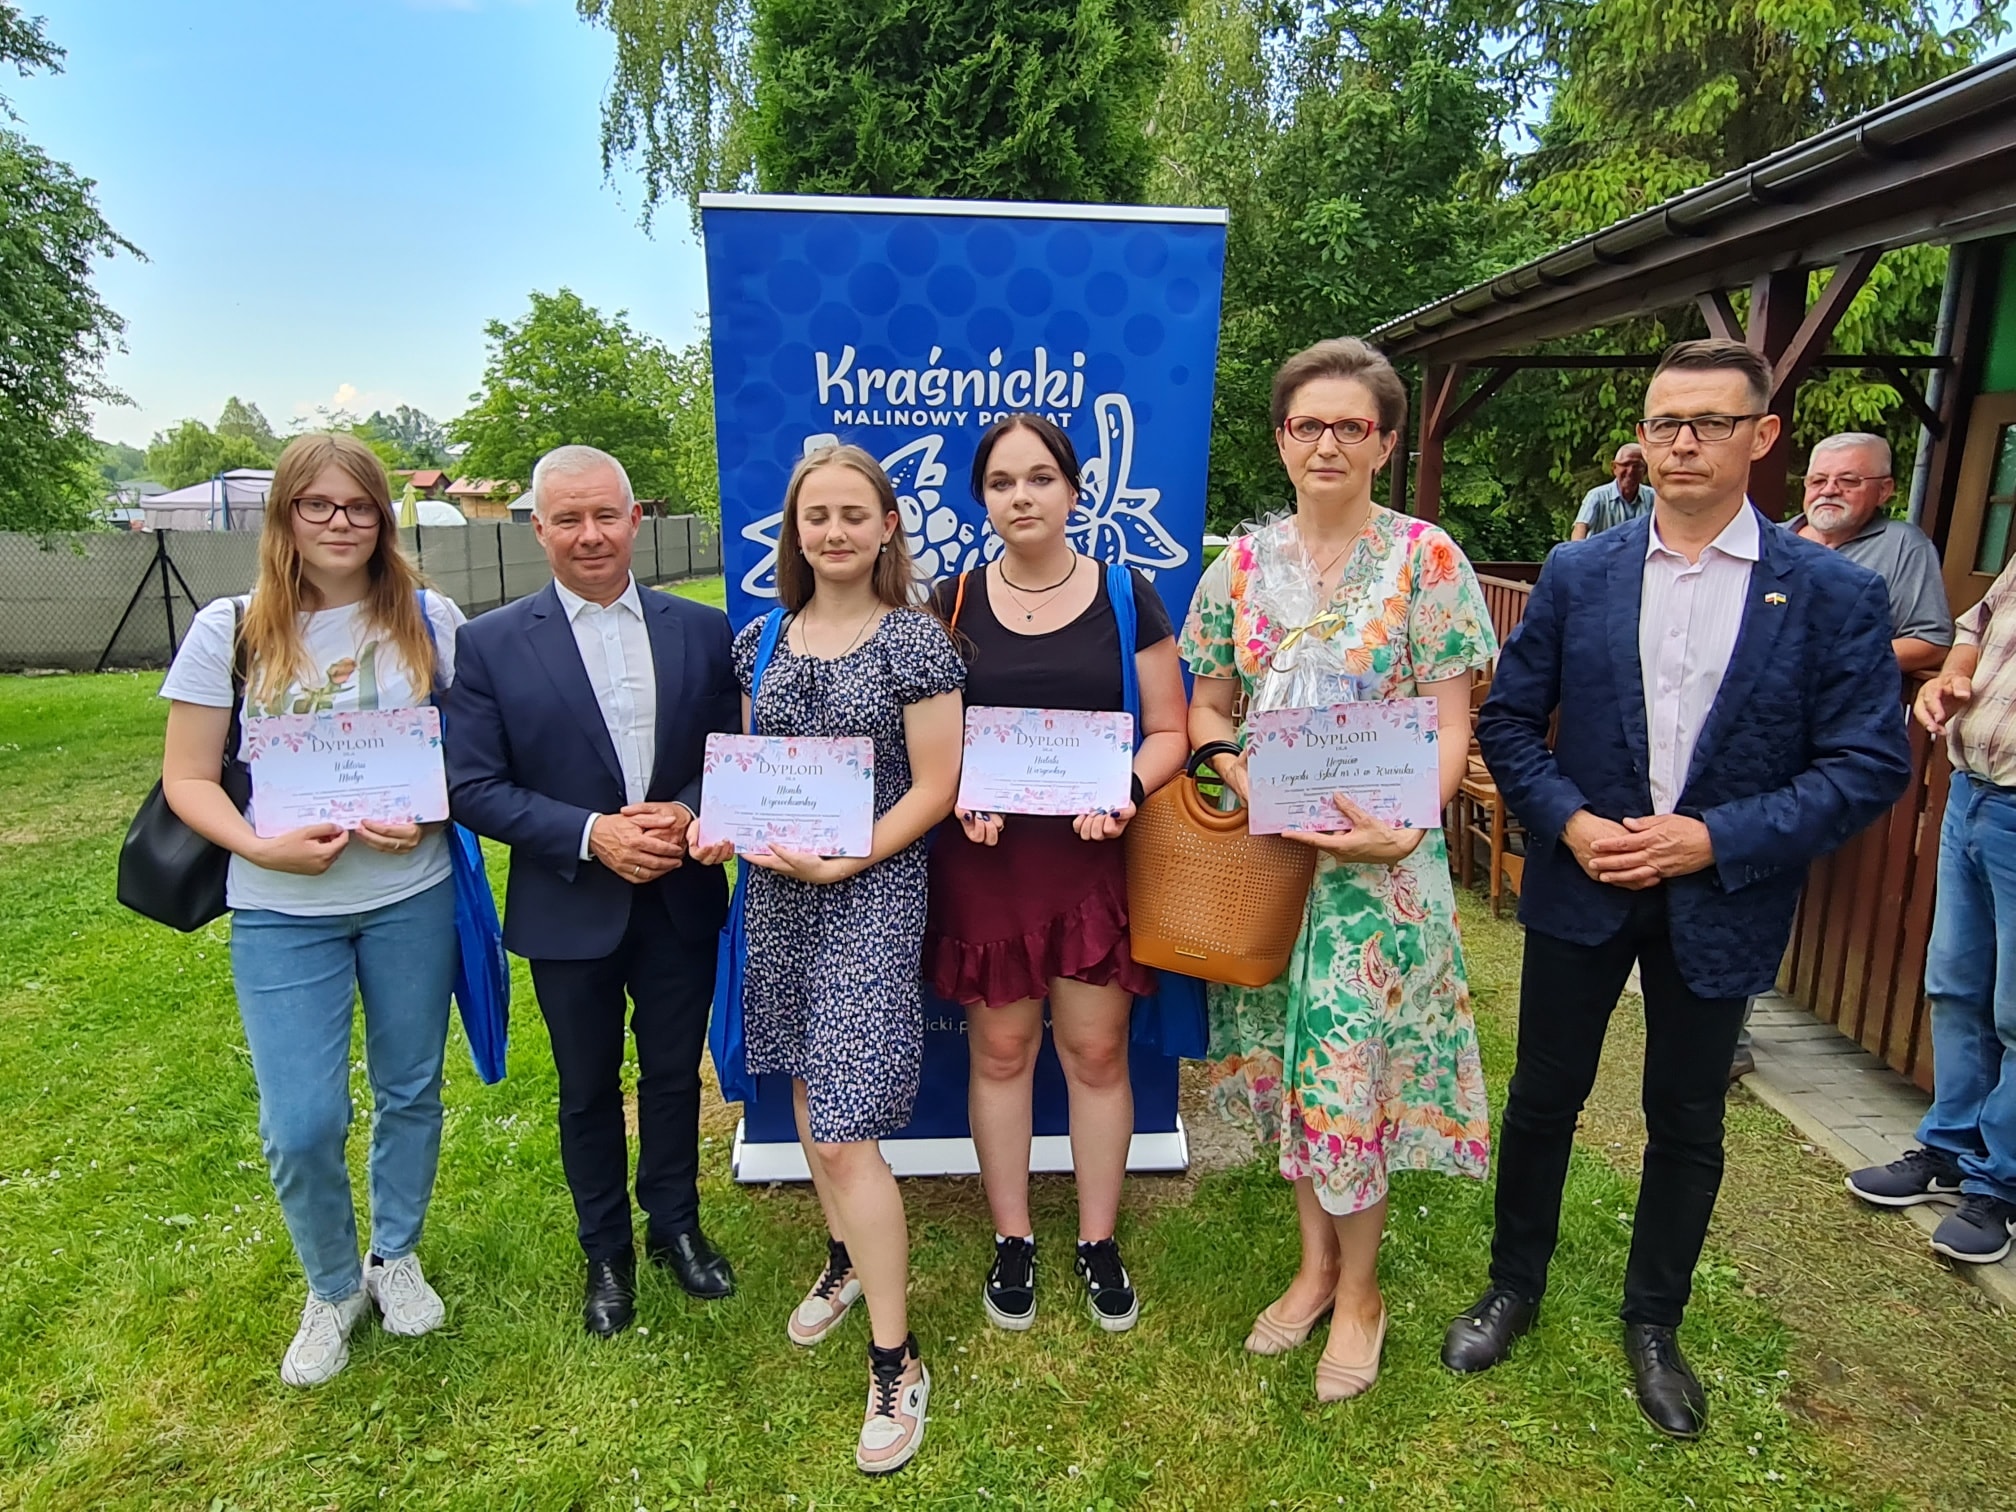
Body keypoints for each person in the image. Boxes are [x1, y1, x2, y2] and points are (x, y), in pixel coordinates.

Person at [1448, 338, 1913, 1438]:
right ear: (1643, 438)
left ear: (1763, 437)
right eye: (1666, 423)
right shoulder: (1581, 573)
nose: (1685, 442)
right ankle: (1512, 1285)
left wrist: (1715, 839)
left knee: (1687, 1118)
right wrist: (1570, 821)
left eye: (1711, 422)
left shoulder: (1833, 594)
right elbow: (1508, 721)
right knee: (1544, 1097)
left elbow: (1867, 764)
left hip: (1723, 895)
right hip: (1587, 880)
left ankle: (1655, 1322)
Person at [1179, 337, 1497, 1402]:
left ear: (1384, 442)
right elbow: (1207, 705)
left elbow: (1451, 724)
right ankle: (1314, 1268)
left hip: (1377, 874)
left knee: (1350, 1074)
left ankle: (1361, 1292)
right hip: (1270, 869)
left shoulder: (1425, 561)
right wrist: (1235, 769)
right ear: (1280, 439)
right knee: (1295, 1071)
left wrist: (1407, 823)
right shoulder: (1238, 568)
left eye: (1350, 426)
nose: (1327, 443)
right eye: (1307, 424)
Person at [159, 432, 464, 1387]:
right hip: (281, 909)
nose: (341, 522)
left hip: (409, 896)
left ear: (384, 516)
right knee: (300, 1122)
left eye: (360, 505)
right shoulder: (232, 629)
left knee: (411, 1091)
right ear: (284, 516)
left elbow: (468, 753)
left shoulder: (430, 619)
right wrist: (259, 846)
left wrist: (428, 813)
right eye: (317, 505)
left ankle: (394, 1255)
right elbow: (186, 778)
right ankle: (332, 1288)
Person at [688, 445, 964, 1474]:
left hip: (871, 896)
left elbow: (937, 786)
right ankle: (845, 1257)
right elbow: (759, 773)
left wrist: (852, 857)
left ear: (888, 525)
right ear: (794, 532)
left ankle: (898, 1360)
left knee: (847, 1131)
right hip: (778, 898)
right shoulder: (760, 639)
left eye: (855, 514)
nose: (835, 531)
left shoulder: (916, 643)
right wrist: (722, 827)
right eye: (817, 516)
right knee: (808, 1092)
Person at [443, 444, 738, 1338]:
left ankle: (675, 1225)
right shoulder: (489, 643)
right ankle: (605, 1251)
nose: (590, 534)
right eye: (567, 519)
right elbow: (471, 784)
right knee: (586, 1087)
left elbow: (734, 751)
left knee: (673, 1076)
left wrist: (688, 811)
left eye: (606, 514)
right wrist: (591, 834)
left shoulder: (704, 630)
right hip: (568, 901)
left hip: (680, 893)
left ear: (635, 519)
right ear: (538, 529)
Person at [922, 414, 1189, 1335]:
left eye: (1040, 478)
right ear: (981, 498)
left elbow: (1171, 731)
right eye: (1002, 483)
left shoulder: (1125, 594)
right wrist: (959, 792)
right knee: (1000, 1054)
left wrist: (1126, 789)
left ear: (1074, 491)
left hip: (1090, 861)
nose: (1022, 497)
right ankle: (1013, 1238)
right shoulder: (950, 601)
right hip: (987, 863)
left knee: (1096, 1054)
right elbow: (930, 740)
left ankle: (1097, 1239)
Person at [1728, 430, 1953, 1079]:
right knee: (1736, 871)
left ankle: (1730, 1035)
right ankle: (1721, 1022)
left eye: (1848, 480)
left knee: (1766, 872)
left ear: (1884, 490)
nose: (1828, 491)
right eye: (1819, 479)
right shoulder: (1777, 539)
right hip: (1749, 740)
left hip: (1830, 751)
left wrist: (1836, 663)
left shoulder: (1903, 548)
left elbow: (1931, 639)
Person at [1846, 551, 2016, 1263]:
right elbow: (1975, 625)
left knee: (2015, 1011)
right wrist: (1952, 676)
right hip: (1973, 791)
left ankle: (1999, 1185)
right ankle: (1949, 1148)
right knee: (1955, 986)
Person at [1569, 443, 1655, 540]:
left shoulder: (1654, 498)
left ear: (1645, 471)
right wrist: (1578, 549)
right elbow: (1580, 528)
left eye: (1637, 466)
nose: (1630, 471)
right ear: (1614, 468)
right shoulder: (1597, 496)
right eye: (1625, 464)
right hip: (1601, 549)